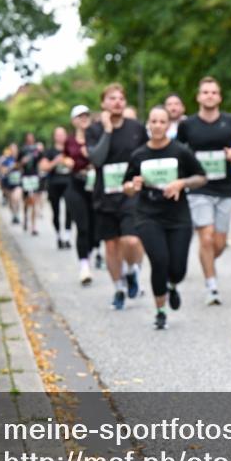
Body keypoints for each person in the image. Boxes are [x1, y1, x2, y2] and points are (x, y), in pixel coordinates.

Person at [123, 106, 208, 330]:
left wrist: (182, 183)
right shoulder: (139, 155)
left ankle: (172, 285)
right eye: (154, 121)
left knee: (177, 269)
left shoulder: (180, 151)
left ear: (169, 125)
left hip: (177, 215)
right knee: (159, 261)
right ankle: (160, 311)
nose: (158, 125)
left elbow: (201, 177)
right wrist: (133, 185)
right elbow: (127, 187)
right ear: (148, 125)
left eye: (162, 122)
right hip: (148, 215)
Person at [175, 77, 231, 305]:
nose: (209, 96)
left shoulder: (230, 122)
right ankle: (211, 286)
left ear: (220, 97)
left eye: (214, 92)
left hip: (225, 188)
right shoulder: (188, 125)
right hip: (198, 188)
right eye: (205, 92)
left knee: (219, 243)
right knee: (205, 238)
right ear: (198, 97)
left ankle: (207, 261)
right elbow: (178, 150)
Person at [87, 83, 147, 310]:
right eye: (112, 98)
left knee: (131, 240)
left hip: (130, 193)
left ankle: (132, 270)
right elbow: (97, 159)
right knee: (111, 246)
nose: (117, 102)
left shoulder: (135, 128)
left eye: (121, 98)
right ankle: (118, 289)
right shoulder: (94, 130)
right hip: (105, 195)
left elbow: (145, 156)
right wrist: (108, 131)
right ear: (103, 103)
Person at [64, 105, 96, 285]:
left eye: (86, 115)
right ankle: (84, 266)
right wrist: (66, 160)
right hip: (75, 185)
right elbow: (64, 157)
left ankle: (90, 254)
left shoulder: (97, 136)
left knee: (94, 228)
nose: (83, 119)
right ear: (73, 120)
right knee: (82, 226)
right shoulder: (70, 141)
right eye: (79, 116)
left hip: (95, 186)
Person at [40, 126, 73, 250]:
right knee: (56, 211)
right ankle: (59, 235)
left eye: (62, 134)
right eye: (58, 134)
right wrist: (55, 161)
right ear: (54, 137)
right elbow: (43, 167)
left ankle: (67, 236)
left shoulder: (71, 150)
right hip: (54, 184)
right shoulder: (49, 151)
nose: (60, 137)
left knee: (70, 209)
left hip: (69, 184)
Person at [18, 132, 44, 235]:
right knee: (26, 201)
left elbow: (43, 159)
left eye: (31, 137)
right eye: (28, 138)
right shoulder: (23, 150)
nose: (30, 139)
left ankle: (33, 226)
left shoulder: (37, 150)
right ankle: (25, 217)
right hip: (25, 177)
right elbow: (17, 163)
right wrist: (22, 162)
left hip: (34, 177)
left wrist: (41, 150)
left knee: (34, 201)